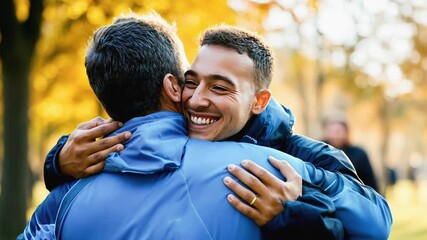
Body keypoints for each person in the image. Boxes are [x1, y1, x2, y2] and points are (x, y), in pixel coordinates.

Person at [40, 14, 391, 239]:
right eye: (192, 82)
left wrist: (293, 219)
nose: (196, 100)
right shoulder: (172, 127)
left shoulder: (297, 157)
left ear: (259, 101)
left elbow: (378, 221)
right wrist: (58, 162)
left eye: (220, 88)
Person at [323, 117, 379, 192]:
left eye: (338, 132)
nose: (334, 135)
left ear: (346, 132)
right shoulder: (319, 152)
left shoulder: (358, 154)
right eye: (331, 131)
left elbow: (370, 181)